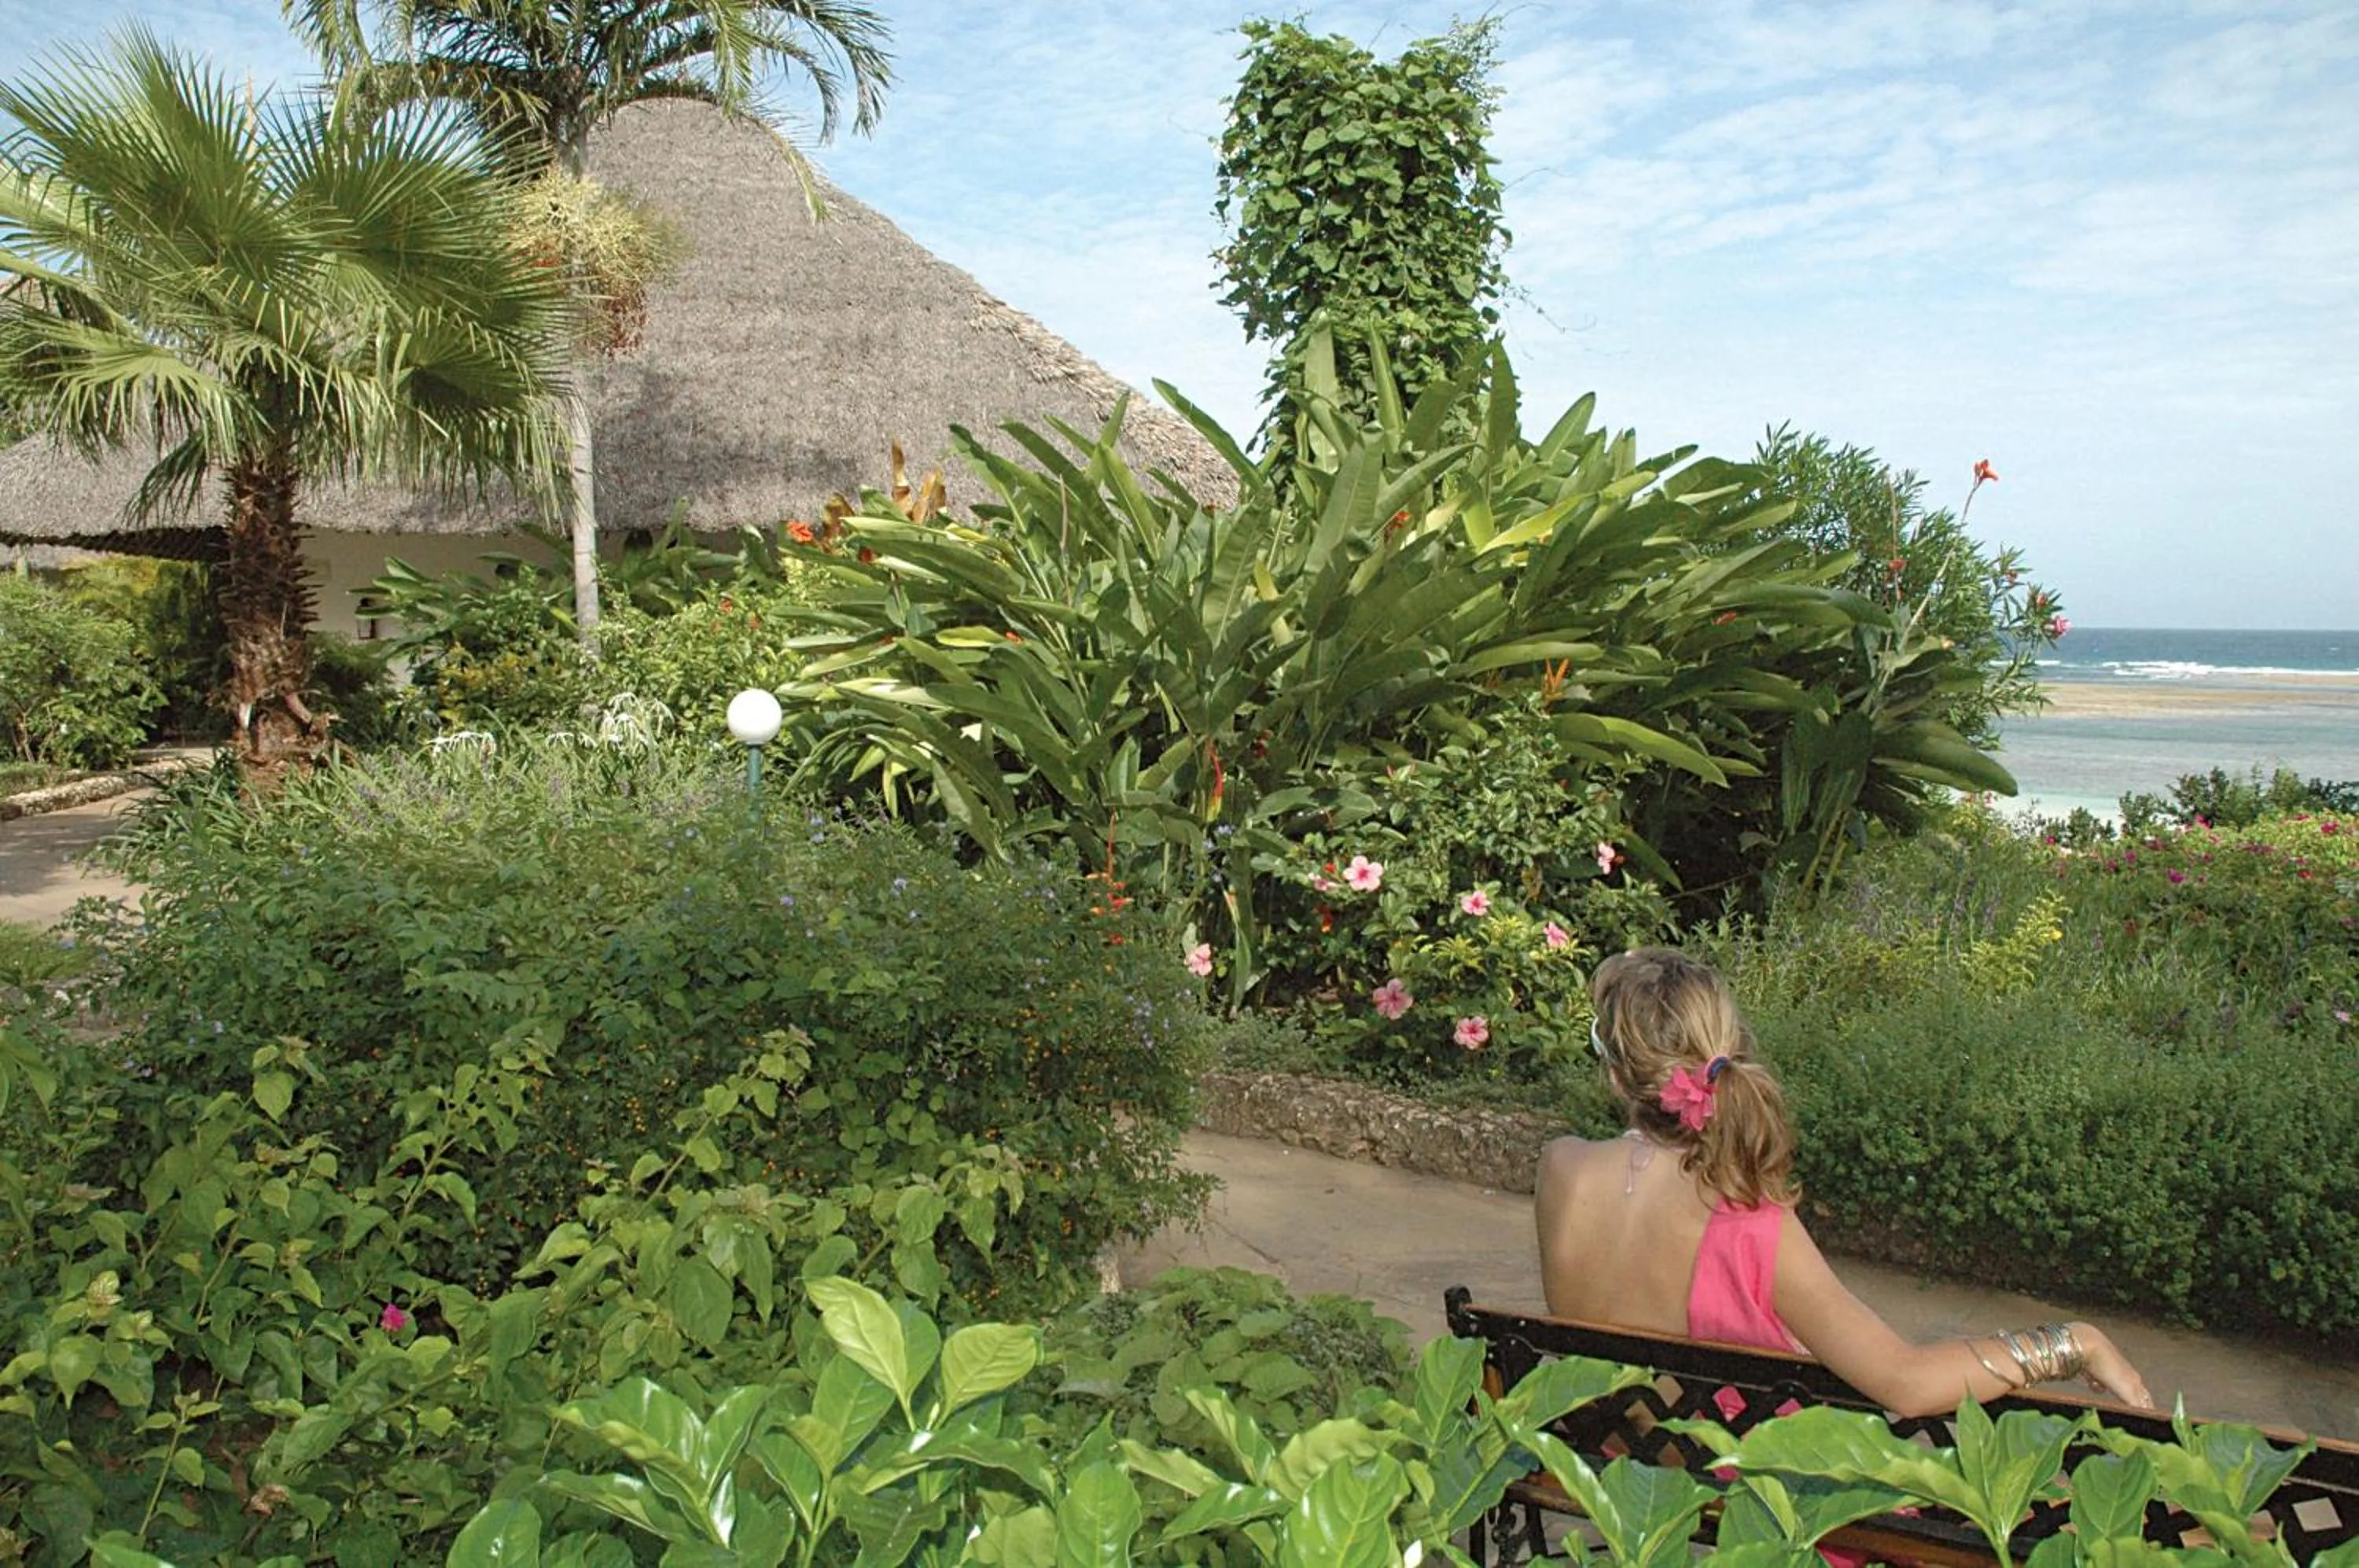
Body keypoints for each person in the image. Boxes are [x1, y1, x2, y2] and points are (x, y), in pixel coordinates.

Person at [1535, 947, 2154, 1419]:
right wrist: (2068, 1344)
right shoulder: (1746, 1220)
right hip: (1746, 1494)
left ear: (1616, 1075)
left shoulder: (1560, 1170)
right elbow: (1907, 1382)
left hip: (1612, 1466)